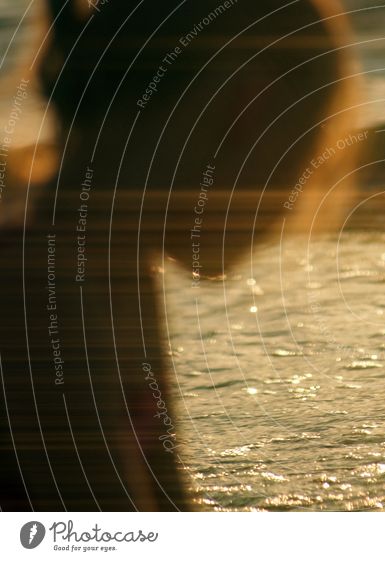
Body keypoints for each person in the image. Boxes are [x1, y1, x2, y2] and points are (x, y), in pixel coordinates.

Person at [0, 0, 356, 510]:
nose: (293, 198)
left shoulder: (100, 265)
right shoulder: (40, 298)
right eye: (305, 153)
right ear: (248, 109)